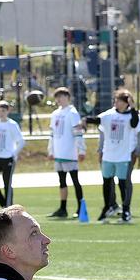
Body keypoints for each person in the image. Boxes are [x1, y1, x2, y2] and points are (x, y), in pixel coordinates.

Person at [96, 89, 140, 223]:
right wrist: (100, 149)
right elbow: (99, 124)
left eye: (119, 100)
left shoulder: (133, 115)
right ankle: (109, 206)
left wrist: (137, 150)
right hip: (109, 154)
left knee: (124, 182)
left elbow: (138, 128)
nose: (115, 103)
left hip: (125, 155)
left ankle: (126, 209)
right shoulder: (109, 114)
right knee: (108, 182)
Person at [47, 87, 85, 218]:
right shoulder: (55, 114)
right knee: (61, 181)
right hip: (58, 153)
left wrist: (81, 150)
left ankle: (81, 208)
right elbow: (52, 134)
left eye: (62, 97)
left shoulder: (72, 113)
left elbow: (78, 133)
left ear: (68, 98)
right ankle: (63, 208)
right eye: (57, 97)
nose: (59, 99)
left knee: (75, 180)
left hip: (70, 152)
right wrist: (51, 150)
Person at [0, 101, 25, 208]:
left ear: (8, 111)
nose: (1, 113)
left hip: (7, 158)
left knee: (7, 184)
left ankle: (9, 207)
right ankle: (4, 206)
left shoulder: (12, 124)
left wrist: (14, 154)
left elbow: (21, 141)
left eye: (3, 111)